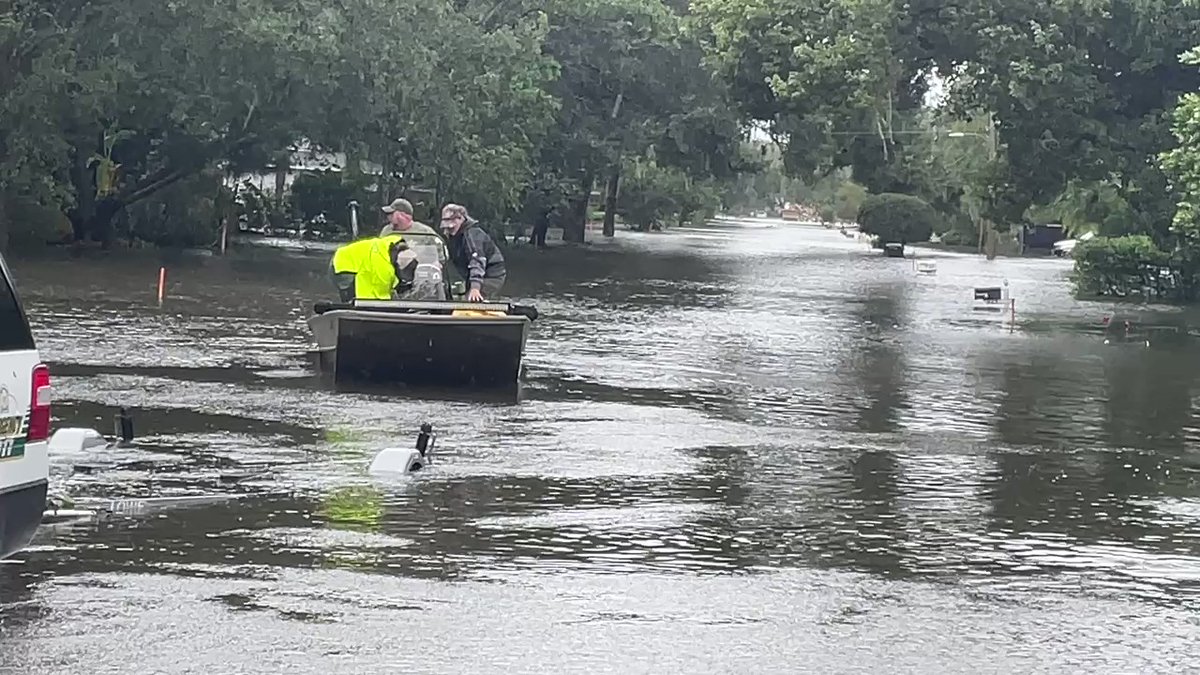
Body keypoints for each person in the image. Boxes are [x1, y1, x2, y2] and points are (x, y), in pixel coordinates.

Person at [439, 203, 506, 301]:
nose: (447, 231)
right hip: (469, 275)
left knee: (471, 301)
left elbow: (477, 261)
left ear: (461, 219)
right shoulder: (453, 236)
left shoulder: (473, 235)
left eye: (451, 227)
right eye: (446, 228)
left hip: (491, 275)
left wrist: (475, 288)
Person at [329, 233, 420, 301]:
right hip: (342, 265)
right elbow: (378, 298)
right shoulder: (382, 269)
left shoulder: (394, 241)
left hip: (347, 255)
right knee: (356, 300)